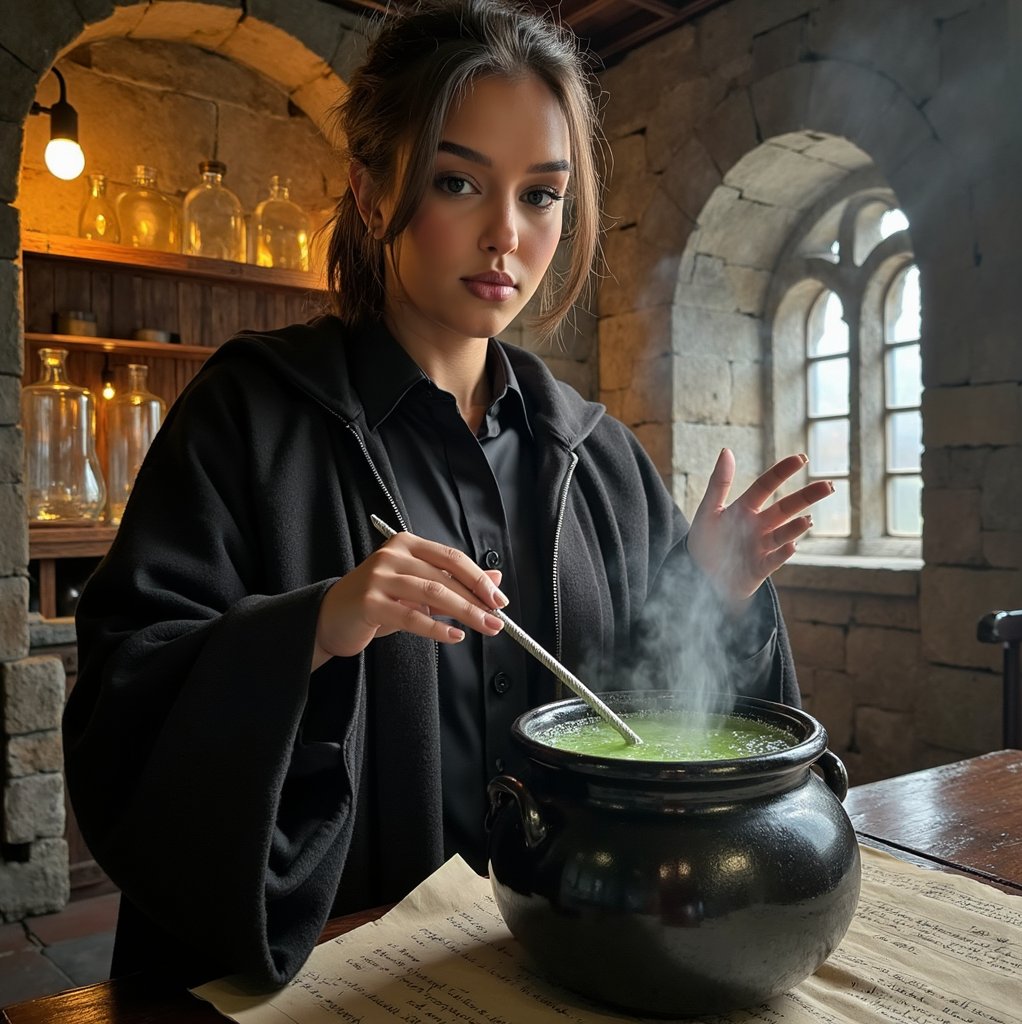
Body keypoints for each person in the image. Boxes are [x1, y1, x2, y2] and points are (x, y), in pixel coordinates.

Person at [64, 0, 833, 991]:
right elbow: (128, 701)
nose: (505, 235)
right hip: (326, 985)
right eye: (458, 180)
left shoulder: (598, 457)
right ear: (372, 187)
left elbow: (657, 724)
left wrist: (710, 596)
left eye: (542, 196)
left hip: (564, 971)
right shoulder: (247, 416)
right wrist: (318, 624)